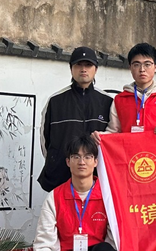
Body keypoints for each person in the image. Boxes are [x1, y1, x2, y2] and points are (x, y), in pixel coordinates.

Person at [32, 136, 119, 251]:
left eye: (87, 157)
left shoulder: (107, 196)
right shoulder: (54, 197)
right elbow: (44, 241)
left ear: (95, 162)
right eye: (76, 157)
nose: (82, 162)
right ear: (68, 161)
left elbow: (115, 240)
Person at [37, 46, 112, 192]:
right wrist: (56, 160)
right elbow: (45, 140)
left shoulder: (107, 102)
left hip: (97, 178)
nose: (83, 69)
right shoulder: (55, 101)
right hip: (60, 176)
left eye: (88, 65)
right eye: (78, 65)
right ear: (71, 69)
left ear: (96, 69)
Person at [103, 42, 156, 134]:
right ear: (130, 68)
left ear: (155, 67)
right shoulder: (119, 100)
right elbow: (113, 132)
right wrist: (99, 136)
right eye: (136, 65)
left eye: (147, 64)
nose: (142, 69)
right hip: (131, 144)